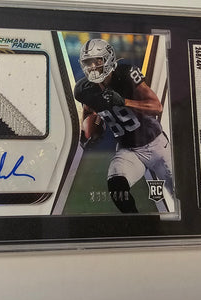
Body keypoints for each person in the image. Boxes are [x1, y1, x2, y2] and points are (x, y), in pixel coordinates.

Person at [74, 38, 173, 213]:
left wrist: (124, 101)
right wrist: (89, 130)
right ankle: (135, 224)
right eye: (88, 63)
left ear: (109, 58)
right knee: (117, 187)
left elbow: (157, 107)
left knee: (181, 195)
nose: (93, 67)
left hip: (156, 146)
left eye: (97, 61)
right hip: (128, 150)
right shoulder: (84, 89)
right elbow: (89, 109)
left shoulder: (126, 75)